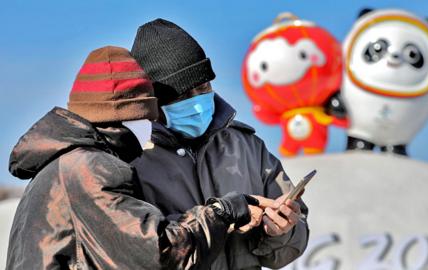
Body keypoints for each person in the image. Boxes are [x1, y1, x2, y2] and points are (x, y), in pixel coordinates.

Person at [7, 46, 259, 269]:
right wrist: (225, 210)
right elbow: (162, 255)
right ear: (126, 118)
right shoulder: (91, 169)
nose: (151, 127)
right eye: (148, 118)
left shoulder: (60, 166)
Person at [131, 19, 309, 269]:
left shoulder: (248, 146)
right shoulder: (132, 158)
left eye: (203, 87)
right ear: (154, 101)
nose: (196, 102)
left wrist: (281, 231)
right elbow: (134, 247)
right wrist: (219, 216)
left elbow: (294, 241)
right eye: (182, 95)